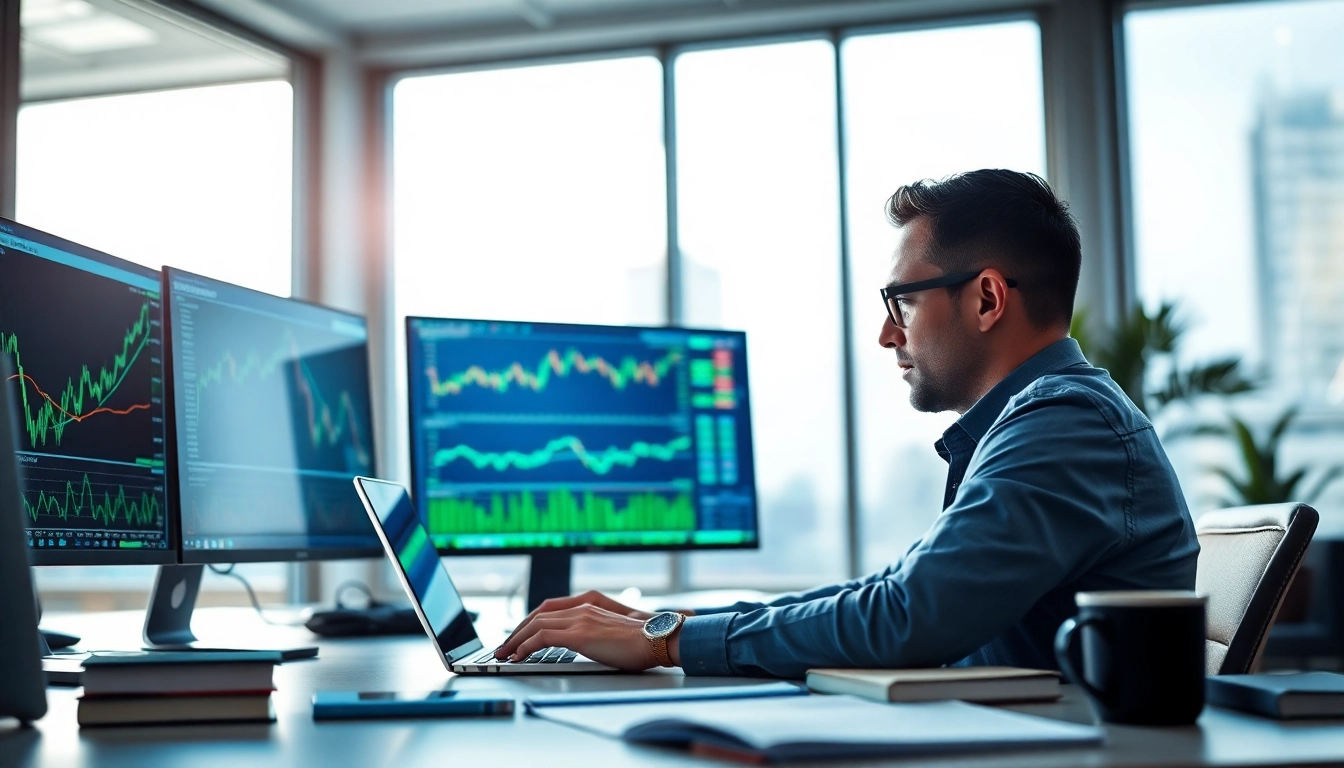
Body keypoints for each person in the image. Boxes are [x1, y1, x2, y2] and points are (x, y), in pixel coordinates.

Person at [494, 169, 1199, 679]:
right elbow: (894, 594)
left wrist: (665, 641)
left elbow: (911, 616)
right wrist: (662, 627)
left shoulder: (1065, 424)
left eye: (903, 303)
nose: (888, 336)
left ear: (986, 298)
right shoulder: (1039, 421)